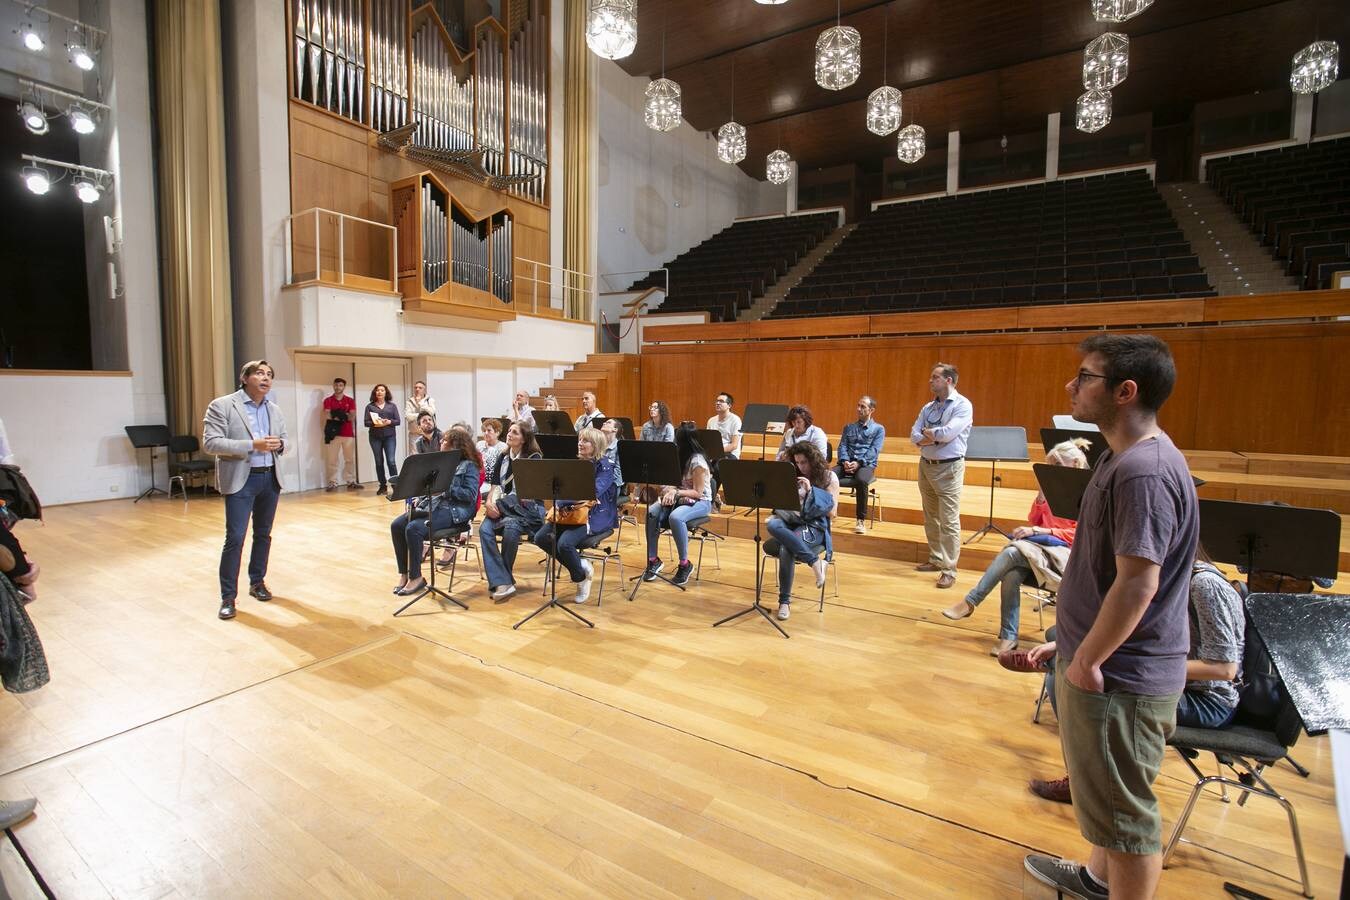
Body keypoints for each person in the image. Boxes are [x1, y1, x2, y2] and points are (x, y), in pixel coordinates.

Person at [1022, 334, 1199, 900]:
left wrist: (1089, 658)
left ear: (1126, 391)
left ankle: (1110, 881)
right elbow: (1104, 575)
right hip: (1104, 661)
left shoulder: (1143, 471)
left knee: (1127, 821)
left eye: (1085, 377)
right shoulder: (1121, 456)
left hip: (1121, 677)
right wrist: (1070, 643)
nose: (1071, 386)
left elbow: (1138, 583)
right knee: (1109, 802)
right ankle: (1096, 881)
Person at [1006, 550, 1244, 806]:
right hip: (1170, 682)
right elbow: (1127, 633)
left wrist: (1135, 664)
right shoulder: (1164, 579)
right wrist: (1063, 646)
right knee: (1064, 679)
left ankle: (1092, 783)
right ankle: (1085, 778)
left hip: (1208, 700)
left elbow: (1224, 669)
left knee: (1088, 687)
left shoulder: (1204, 585)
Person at [942, 438, 1091, 655]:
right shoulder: (1054, 488)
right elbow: (1033, 518)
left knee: (1012, 552)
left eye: (1057, 465)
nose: (1051, 470)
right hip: (1042, 551)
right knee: (1011, 573)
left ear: (1075, 464)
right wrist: (1041, 495)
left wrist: (1041, 531)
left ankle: (972, 602)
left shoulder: (1088, 491)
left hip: (1067, 557)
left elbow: (1080, 535)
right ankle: (1008, 637)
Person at [203, 359, 291, 620]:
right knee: (235, 539)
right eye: (259, 373)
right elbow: (211, 443)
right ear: (245, 378)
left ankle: (257, 582)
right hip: (242, 479)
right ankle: (228, 597)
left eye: (269, 375)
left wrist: (280, 445)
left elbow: (285, 440)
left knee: (263, 535)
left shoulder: (274, 409)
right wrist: (253, 444)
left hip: (269, 479)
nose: (265, 378)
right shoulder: (222, 405)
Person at [389, 428, 482, 596]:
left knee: (414, 528)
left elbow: (469, 496)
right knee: (397, 525)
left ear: (455, 445)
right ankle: (404, 574)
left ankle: (415, 577)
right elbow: (430, 489)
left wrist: (445, 488)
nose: (441, 442)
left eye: (445, 440)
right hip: (435, 505)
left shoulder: (469, 466)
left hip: (456, 511)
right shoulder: (440, 463)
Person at [533, 427, 619, 604]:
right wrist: (561, 501)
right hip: (570, 511)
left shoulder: (605, 466)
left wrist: (562, 501)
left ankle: (580, 579)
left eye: (585, 441)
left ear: (596, 445)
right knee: (541, 537)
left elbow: (591, 491)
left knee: (564, 544)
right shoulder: (576, 464)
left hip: (594, 515)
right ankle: (581, 566)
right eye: (579, 440)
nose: (580, 444)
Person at [910, 365, 972, 589]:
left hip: (949, 468)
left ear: (948, 380)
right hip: (926, 465)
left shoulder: (963, 405)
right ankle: (936, 559)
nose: (930, 381)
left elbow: (947, 434)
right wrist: (933, 437)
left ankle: (949, 569)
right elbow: (913, 435)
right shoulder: (928, 407)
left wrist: (930, 436)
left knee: (949, 520)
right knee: (931, 516)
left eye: (934, 377)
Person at [766, 442, 839, 621]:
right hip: (792, 523)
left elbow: (832, 513)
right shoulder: (794, 476)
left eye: (804, 462)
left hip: (815, 527)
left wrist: (810, 493)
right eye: (797, 463)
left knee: (786, 548)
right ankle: (814, 562)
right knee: (773, 525)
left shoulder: (829, 477)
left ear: (814, 460)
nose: (801, 467)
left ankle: (784, 602)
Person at [641, 423, 713, 587]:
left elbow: (698, 493)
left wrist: (677, 493)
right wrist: (669, 490)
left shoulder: (698, 462)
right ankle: (653, 560)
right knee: (651, 512)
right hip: (678, 497)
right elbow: (671, 482)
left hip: (701, 502)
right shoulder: (677, 456)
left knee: (675, 517)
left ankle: (684, 564)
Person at [480, 422, 545, 603]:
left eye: (514, 432)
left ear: (524, 439)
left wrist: (496, 506)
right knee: (484, 530)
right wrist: (489, 503)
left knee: (511, 527)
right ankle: (504, 582)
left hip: (525, 507)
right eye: (509, 431)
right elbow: (494, 486)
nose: (509, 434)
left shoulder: (534, 458)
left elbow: (529, 493)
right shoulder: (503, 456)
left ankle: (502, 581)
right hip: (502, 506)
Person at [835, 396, 885, 534]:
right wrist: (845, 461)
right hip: (846, 462)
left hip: (865, 464)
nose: (859, 409)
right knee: (828, 476)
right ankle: (828, 513)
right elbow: (842, 446)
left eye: (863, 407)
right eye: (858, 406)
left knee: (862, 481)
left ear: (871, 410)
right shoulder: (848, 427)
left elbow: (874, 450)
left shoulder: (878, 429)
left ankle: (860, 520)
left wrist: (858, 463)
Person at [322, 377, 360, 491]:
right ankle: (333, 482)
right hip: (333, 434)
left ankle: (351, 481)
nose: (338, 387)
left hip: (348, 434)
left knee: (349, 459)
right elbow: (327, 415)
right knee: (332, 459)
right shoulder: (328, 400)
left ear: (344, 387)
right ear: (333, 386)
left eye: (340, 385)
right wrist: (343, 415)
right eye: (336, 385)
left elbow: (352, 417)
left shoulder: (350, 400)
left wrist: (337, 415)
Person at [365, 384, 401, 496]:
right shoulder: (370, 406)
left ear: (386, 393)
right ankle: (382, 486)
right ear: (375, 393)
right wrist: (377, 424)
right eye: (377, 390)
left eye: (382, 390)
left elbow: (398, 421)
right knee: (379, 462)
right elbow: (366, 423)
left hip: (389, 437)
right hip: (375, 437)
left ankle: (396, 486)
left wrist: (389, 422)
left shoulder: (392, 406)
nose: (379, 392)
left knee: (391, 461)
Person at [707, 391, 741, 508]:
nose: (717, 403)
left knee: (718, 467)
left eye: (721, 401)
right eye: (716, 401)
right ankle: (711, 498)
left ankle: (710, 500)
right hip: (714, 455)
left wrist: (717, 453)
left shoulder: (735, 420)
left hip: (730, 454)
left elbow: (734, 445)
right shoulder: (711, 420)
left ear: (729, 405)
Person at [476, 418, 505, 502]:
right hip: (479, 480)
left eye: (489, 430)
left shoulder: (503, 447)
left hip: (494, 484)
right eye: (484, 430)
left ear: (497, 432)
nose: (486, 433)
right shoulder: (479, 445)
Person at [601, 418, 624, 488]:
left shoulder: (619, 446)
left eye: (608, 422)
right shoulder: (598, 445)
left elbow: (618, 471)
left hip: (613, 484)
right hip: (599, 481)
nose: (603, 423)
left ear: (615, 429)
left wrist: (604, 482)